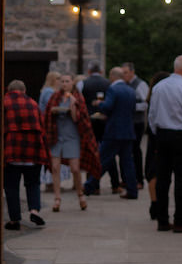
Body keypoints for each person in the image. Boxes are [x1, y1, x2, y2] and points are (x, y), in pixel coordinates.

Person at [146, 54, 182, 232]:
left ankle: (162, 220)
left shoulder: (159, 87)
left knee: (163, 179)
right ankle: (180, 220)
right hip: (181, 137)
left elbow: (152, 114)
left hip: (162, 135)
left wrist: (157, 133)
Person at [42, 72, 100, 211]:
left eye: (67, 81)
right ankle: (57, 198)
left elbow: (78, 119)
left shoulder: (77, 97)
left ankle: (80, 194)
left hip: (72, 136)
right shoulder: (55, 97)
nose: (64, 84)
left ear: (72, 82)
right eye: (62, 81)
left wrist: (73, 105)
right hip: (57, 136)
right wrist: (54, 111)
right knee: (55, 167)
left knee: (75, 168)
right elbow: (48, 114)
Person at [85, 67, 140, 198]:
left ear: (112, 76)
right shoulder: (131, 90)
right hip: (127, 131)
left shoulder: (113, 89)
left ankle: (89, 186)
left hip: (114, 131)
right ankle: (132, 190)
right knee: (127, 162)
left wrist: (99, 103)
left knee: (102, 159)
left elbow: (108, 106)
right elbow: (132, 109)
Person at [1, 80, 47, 230]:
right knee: (33, 183)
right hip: (33, 150)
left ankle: (15, 220)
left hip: (12, 150)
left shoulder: (4, 102)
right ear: (25, 90)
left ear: (8, 90)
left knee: (11, 186)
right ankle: (34, 210)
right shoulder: (33, 103)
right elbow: (42, 127)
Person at [78, 61, 113, 194]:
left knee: (91, 151)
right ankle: (114, 183)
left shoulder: (83, 83)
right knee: (107, 151)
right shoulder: (108, 84)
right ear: (101, 71)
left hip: (89, 121)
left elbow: (79, 101)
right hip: (105, 121)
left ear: (89, 71)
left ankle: (92, 184)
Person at [142, 70, 170, 219]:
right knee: (156, 172)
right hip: (159, 135)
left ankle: (155, 203)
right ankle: (155, 204)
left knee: (153, 171)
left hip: (154, 137)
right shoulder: (159, 98)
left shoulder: (153, 97)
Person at [122, 62, 149, 189]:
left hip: (137, 122)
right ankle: (127, 178)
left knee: (135, 150)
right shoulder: (124, 85)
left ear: (132, 72)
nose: (124, 75)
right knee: (125, 151)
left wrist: (131, 107)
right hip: (127, 122)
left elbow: (146, 103)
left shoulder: (140, 84)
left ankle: (139, 179)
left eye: (126, 72)